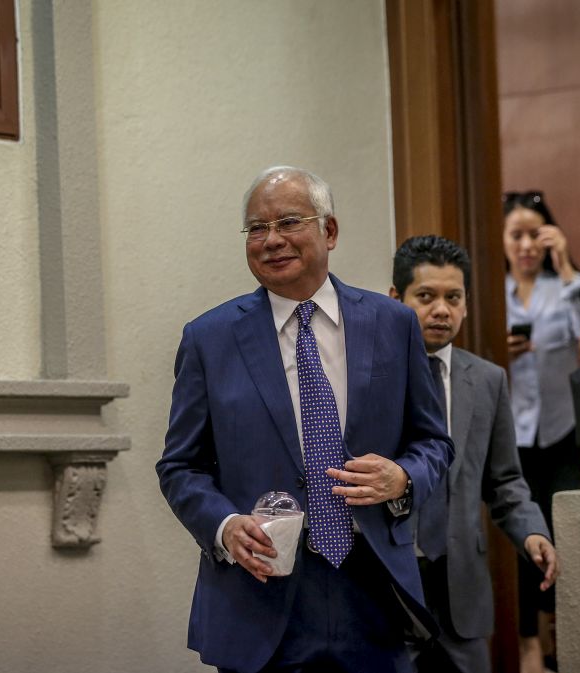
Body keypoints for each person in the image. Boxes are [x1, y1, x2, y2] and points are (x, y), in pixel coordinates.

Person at [156, 166, 454, 673]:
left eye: (289, 221)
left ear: (329, 231)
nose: (271, 240)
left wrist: (403, 477)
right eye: (256, 228)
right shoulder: (210, 338)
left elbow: (433, 442)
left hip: (373, 584)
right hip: (260, 595)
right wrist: (225, 526)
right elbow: (180, 467)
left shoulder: (393, 324)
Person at [389, 235, 557, 673]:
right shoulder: (369, 377)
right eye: (425, 296)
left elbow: (504, 481)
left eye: (453, 297)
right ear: (396, 298)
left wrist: (531, 532)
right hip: (391, 586)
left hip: (461, 585)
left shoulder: (487, 380)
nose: (441, 309)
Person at [502, 190, 580, 672]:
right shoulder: (492, 292)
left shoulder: (566, 286)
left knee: (565, 536)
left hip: (561, 434)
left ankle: (564, 639)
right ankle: (529, 644)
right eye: (517, 235)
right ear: (503, 241)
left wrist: (568, 266)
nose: (526, 244)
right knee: (518, 539)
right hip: (511, 438)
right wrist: (501, 349)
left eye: (536, 233)